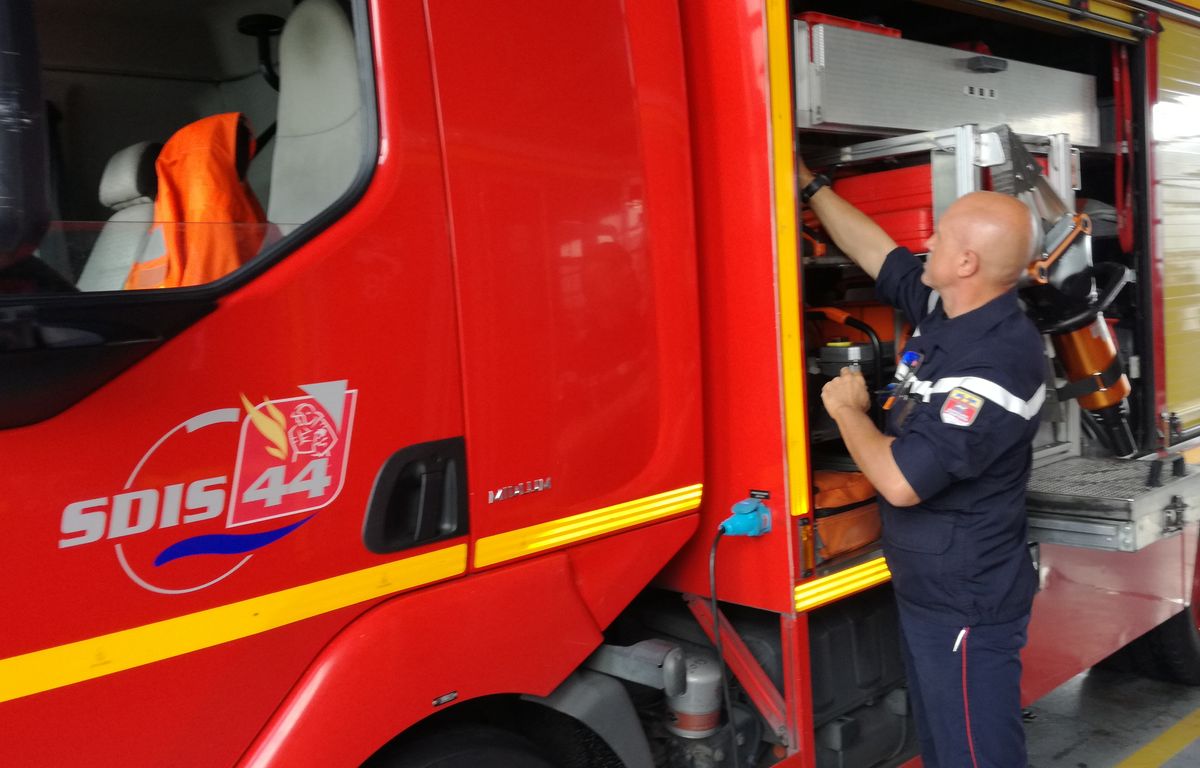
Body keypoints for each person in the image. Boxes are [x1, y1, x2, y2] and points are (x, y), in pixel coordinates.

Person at [801, 157, 1044, 768]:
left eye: (938, 235)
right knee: (944, 748)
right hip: (932, 590)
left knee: (975, 756)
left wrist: (848, 411)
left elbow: (901, 481)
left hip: (968, 601)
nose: (925, 241)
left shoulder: (995, 364)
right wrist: (809, 185)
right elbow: (877, 252)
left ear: (966, 264)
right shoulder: (950, 311)